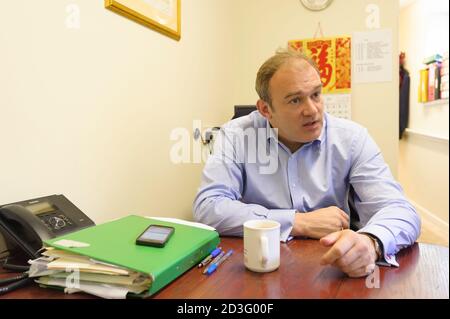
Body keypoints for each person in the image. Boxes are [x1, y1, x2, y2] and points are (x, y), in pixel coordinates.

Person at [193, 49, 420, 278]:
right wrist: (298, 222)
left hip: (331, 270)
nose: (312, 110)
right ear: (265, 110)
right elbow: (208, 206)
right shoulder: (236, 135)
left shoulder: (352, 139)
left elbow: (401, 211)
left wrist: (372, 242)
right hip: (259, 267)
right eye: (295, 100)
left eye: (316, 94)